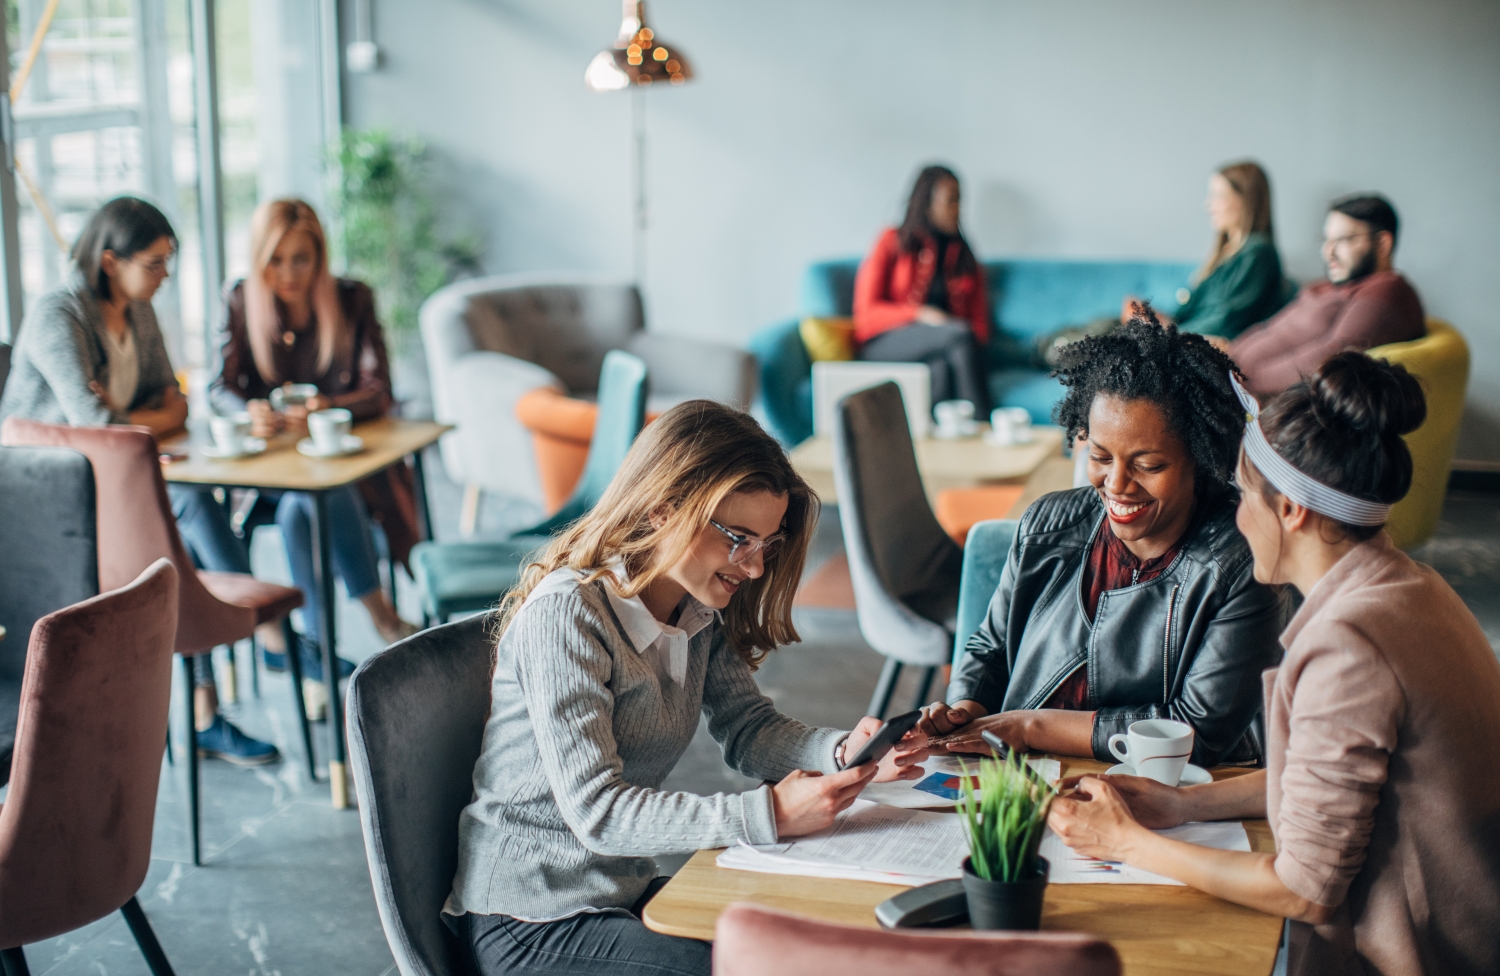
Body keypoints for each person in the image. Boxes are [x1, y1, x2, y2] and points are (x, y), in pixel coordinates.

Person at [1047, 352, 1500, 976]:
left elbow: (1303, 890)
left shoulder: (1349, 646)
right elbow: (1329, 780)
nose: (1236, 517)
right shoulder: (1411, 587)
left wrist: (1126, 842)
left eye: (1243, 496)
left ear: (1292, 510)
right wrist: (1183, 807)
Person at [444, 399, 923, 976]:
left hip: (619, 893)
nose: (754, 569)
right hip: (528, 919)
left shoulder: (696, 611)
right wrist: (769, 811)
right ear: (662, 511)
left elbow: (751, 731)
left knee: (802, 943)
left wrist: (846, 753)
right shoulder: (568, 616)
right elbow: (598, 814)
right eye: (737, 538)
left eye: (766, 545)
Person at [908, 312, 1283, 766]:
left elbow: (1197, 733)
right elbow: (989, 649)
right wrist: (967, 710)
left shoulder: (1242, 561)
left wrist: (1028, 726)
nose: (1117, 484)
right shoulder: (1047, 525)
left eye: (1148, 465)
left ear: (1201, 459)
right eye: (1101, 457)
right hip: (1022, 775)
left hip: (1163, 793)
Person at [0, 196, 279, 765]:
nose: (165, 275)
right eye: (154, 263)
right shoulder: (59, 314)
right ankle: (256, 641)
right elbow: (94, 422)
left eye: (168, 260)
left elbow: (174, 400)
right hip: (50, 499)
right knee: (186, 516)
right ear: (109, 261)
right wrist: (140, 421)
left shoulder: (138, 310)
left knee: (193, 510)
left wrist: (138, 421)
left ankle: (213, 688)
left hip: (117, 479)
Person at [210, 198, 417, 672]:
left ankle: (317, 655)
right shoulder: (241, 298)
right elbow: (219, 387)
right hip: (264, 472)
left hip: (338, 467)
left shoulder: (352, 299)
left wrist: (328, 409)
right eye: (275, 260)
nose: (288, 273)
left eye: (300, 259)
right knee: (313, 497)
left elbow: (379, 390)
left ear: (320, 256)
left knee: (303, 508)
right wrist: (250, 411)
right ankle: (380, 616)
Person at [1228, 194, 1425, 398]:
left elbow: (1330, 355)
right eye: (1326, 240)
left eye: (1342, 240)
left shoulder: (1387, 291)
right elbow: (1270, 328)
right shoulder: (1332, 287)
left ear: (1383, 243)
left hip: (1255, 403)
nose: (1328, 252)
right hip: (1230, 383)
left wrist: (1241, 379)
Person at [854, 165, 991, 415]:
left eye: (960, 200)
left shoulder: (965, 255)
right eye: (952, 200)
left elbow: (979, 327)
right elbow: (865, 315)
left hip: (946, 345)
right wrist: (920, 314)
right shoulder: (891, 240)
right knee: (959, 335)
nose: (958, 209)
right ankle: (983, 425)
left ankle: (946, 439)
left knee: (940, 369)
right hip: (884, 342)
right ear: (927, 204)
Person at [1124, 161, 1285, 340]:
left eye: (1219, 196)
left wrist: (1168, 335)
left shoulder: (1258, 253)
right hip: (1184, 336)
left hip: (1203, 347)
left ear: (1246, 200)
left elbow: (1227, 320)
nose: (1208, 205)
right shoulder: (1228, 252)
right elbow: (1193, 313)